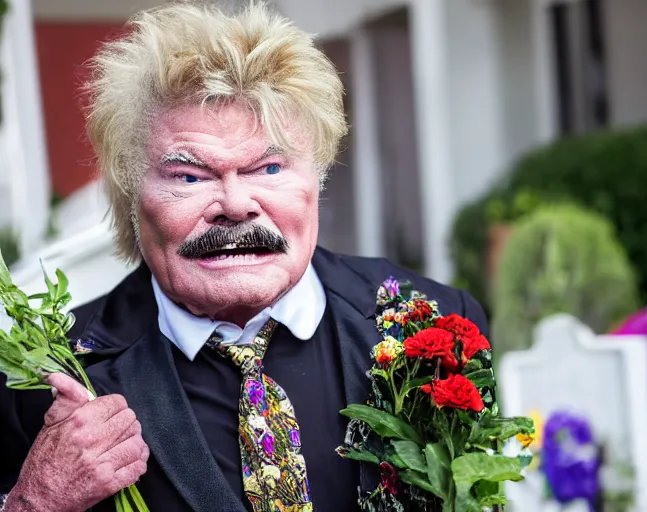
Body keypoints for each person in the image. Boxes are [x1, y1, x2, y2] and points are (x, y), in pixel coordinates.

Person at [0, 2, 487, 511]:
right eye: (189, 177)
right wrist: (35, 502)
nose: (235, 205)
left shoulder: (436, 330)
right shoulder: (41, 384)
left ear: (317, 179)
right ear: (131, 195)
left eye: (269, 168)